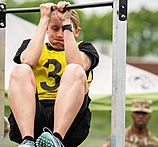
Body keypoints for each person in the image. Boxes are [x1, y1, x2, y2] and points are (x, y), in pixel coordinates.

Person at [7, 1, 99, 147]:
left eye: (65, 29)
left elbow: (78, 64)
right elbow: (27, 61)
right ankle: (28, 140)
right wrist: (44, 19)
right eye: (55, 29)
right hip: (34, 112)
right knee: (20, 69)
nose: (60, 34)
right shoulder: (32, 46)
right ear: (47, 30)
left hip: (70, 119)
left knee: (73, 69)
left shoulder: (85, 48)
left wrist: (66, 21)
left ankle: (56, 139)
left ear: (76, 31)